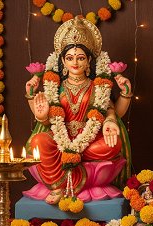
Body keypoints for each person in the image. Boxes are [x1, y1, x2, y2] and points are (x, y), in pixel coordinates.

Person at [25, 16, 132, 205]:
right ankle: (59, 186)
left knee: (112, 146)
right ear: (63, 62)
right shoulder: (56, 87)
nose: (75, 62)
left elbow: (110, 111)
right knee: (38, 141)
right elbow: (46, 118)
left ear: (89, 60)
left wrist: (119, 105)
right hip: (60, 139)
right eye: (70, 58)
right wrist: (41, 115)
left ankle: (64, 175)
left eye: (80, 57)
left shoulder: (98, 87)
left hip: (90, 141)